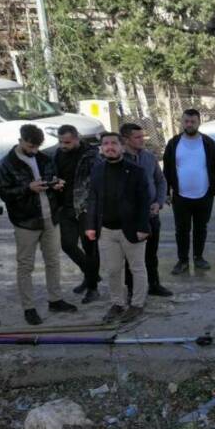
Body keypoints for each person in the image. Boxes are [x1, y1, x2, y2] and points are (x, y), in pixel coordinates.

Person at [0, 124, 78, 325]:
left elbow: (51, 180)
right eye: (31, 146)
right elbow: (4, 193)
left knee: (53, 261)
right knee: (25, 265)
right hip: (25, 222)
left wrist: (56, 184)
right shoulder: (6, 164)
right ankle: (29, 307)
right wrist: (28, 188)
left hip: (50, 217)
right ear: (21, 141)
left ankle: (55, 299)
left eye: (37, 147)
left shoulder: (44, 159)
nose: (34, 150)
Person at [84, 133, 151, 323]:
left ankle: (137, 304)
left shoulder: (136, 170)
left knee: (137, 268)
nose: (110, 147)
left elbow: (144, 201)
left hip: (131, 229)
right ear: (101, 148)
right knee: (113, 270)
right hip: (105, 230)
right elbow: (93, 198)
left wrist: (143, 226)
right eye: (106, 144)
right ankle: (117, 303)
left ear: (122, 147)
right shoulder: (97, 169)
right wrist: (90, 225)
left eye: (114, 143)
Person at [46, 125, 101, 304]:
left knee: (90, 248)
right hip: (65, 207)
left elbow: (98, 180)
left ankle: (92, 287)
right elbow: (50, 174)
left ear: (77, 138)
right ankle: (91, 274)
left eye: (67, 142)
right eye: (61, 141)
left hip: (85, 208)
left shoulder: (91, 155)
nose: (63, 145)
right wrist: (54, 182)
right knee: (68, 245)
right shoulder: (57, 154)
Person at [163, 108, 215, 275]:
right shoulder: (174, 143)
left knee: (200, 228)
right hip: (180, 197)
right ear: (182, 122)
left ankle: (198, 257)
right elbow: (167, 170)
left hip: (204, 196)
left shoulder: (208, 143)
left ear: (198, 122)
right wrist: (166, 192)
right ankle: (182, 260)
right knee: (181, 230)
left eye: (192, 122)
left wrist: (214, 189)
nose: (189, 124)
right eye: (186, 121)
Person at [121, 122, 172, 297]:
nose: (142, 140)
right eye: (137, 137)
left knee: (151, 253)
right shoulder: (119, 160)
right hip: (131, 218)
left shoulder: (149, 157)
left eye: (143, 136)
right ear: (126, 140)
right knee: (131, 257)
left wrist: (159, 202)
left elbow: (160, 181)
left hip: (151, 215)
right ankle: (131, 290)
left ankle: (154, 284)